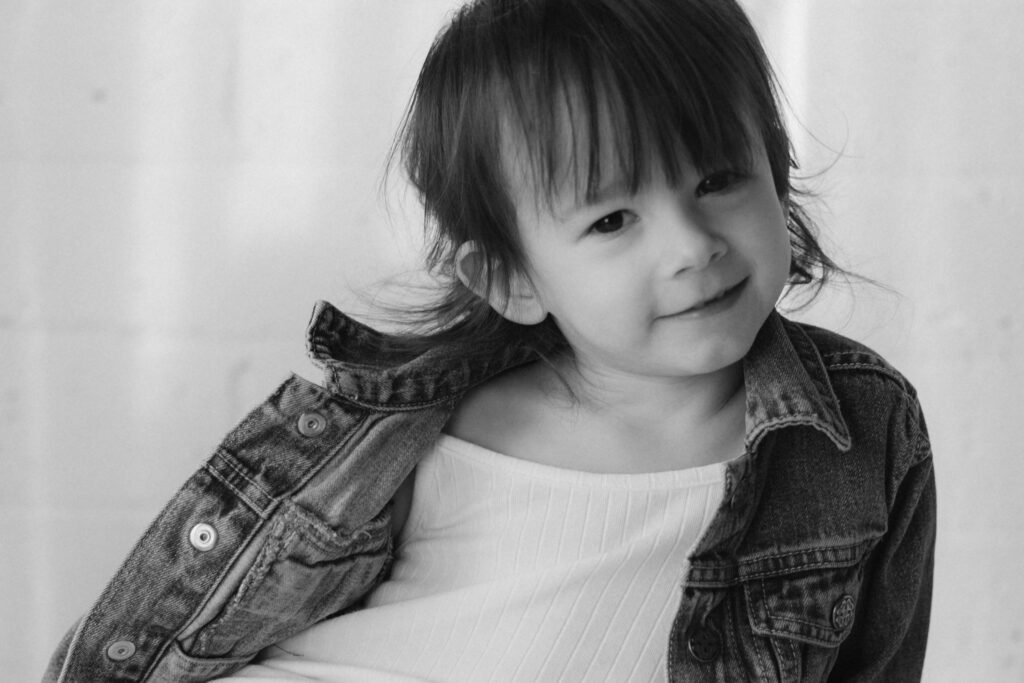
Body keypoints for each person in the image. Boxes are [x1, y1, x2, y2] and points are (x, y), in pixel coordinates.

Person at [44, 0, 936, 681]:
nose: (691, 246)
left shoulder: (858, 431)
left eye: (718, 179)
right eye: (612, 219)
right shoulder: (427, 431)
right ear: (510, 277)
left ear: (776, 166)